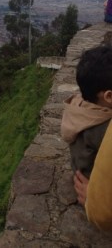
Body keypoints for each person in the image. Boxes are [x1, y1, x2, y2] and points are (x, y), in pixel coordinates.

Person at [73, 46, 112, 230]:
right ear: (108, 97)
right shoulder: (103, 129)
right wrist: (95, 198)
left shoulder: (79, 109)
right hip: (94, 190)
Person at [62, 46, 112, 179]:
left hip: (80, 171)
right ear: (109, 97)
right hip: (96, 188)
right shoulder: (104, 129)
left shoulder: (79, 106)